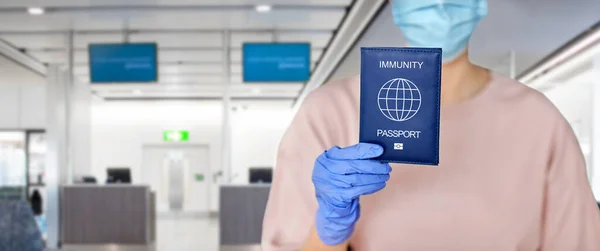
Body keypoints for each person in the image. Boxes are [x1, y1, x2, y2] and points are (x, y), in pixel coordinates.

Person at [261, 0, 600, 250]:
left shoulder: (540, 123)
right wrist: (329, 229)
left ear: (480, 5)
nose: (438, 7)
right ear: (396, 6)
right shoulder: (328, 113)